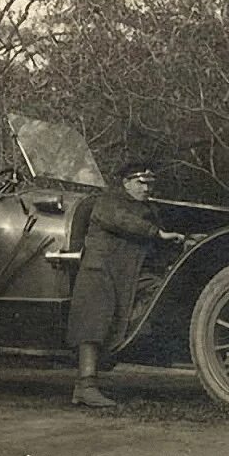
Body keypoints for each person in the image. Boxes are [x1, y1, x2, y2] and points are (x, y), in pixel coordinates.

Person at [66, 163, 186, 407]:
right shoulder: (108, 201)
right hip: (101, 271)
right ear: (126, 182)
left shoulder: (147, 208)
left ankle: (123, 349)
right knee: (93, 325)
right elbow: (121, 221)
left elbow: (151, 243)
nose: (146, 188)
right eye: (141, 183)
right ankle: (85, 386)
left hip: (128, 274)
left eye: (150, 184)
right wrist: (158, 233)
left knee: (158, 293)